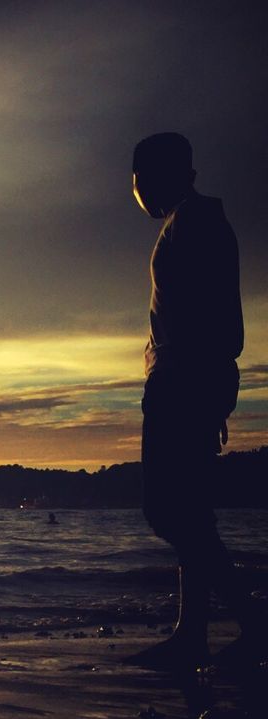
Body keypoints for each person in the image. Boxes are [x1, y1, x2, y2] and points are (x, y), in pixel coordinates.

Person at [125, 132, 261, 671]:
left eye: (136, 180)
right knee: (193, 515)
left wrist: (206, 389)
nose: (135, 191)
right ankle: (193, 633)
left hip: (182, 385)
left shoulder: (198, 223)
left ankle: (250, 622)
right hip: (187, 383)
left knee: (167, 510)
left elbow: (221, 321)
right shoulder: (186, 222)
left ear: (154, 175)